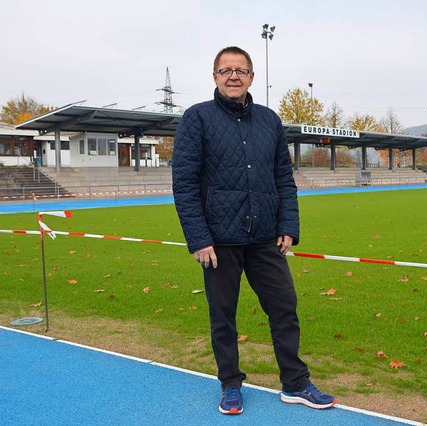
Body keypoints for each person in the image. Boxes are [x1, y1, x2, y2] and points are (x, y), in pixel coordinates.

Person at [172, 46, 336, 415]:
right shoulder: (196, 118)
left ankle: (295, 383)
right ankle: (230, 384)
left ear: (251, 77)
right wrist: (199, 239)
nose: (234, 76)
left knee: (284, 309)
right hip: (218, 242)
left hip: (265, 238)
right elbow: (184, 184)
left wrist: (288, 227)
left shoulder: (269, 120)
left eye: (241, 70)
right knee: (223, 317)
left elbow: (283, 178)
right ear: (214, 76)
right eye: (226, 70)